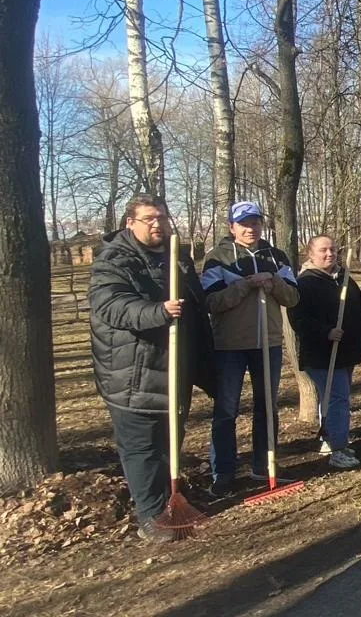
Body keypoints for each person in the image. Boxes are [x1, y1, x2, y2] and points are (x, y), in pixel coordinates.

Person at [89, 194, 215, 542]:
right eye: (148, 218)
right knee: (142, 449)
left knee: (168, 442)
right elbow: (111, 305)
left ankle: (170, 503)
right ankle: (151, 517)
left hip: (174, 371)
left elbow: (197, 311)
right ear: (130, 222)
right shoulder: (114, 260)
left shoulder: (176, 258)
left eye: (161, 217)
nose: (157, 224)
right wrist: (158, 312)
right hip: (132, 375)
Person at [201, 201, 300, 497]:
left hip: (267, 342)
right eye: (244, 223)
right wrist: (245, 284)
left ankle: (264, 465)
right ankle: (223, 474)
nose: (250, 228)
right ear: (232, 227)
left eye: (255, 222)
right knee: (226, 410)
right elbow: (211, 302)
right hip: (229, 345)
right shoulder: (217, 259)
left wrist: (272, 284)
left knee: (267, 407)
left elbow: (293, 297)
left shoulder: (276, 257)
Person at [289, 235, 361, 470]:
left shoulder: (343, 278)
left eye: (333, 249)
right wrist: (325, 332)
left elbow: (357, 308)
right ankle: (338, 449)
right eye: (323, 250)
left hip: (345, 352)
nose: (329, 254)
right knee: (338, 398)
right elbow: (299, 319)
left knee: (333, 399)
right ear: (311, 254)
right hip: (322, 354)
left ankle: (330, 437)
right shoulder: (305, 282)